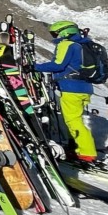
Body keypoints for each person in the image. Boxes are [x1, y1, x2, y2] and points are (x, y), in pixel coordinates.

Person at [36, 20, 98, 163]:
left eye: (55, 33)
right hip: (85, 87)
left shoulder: (66, 44)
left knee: (73, 120)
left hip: (71, 88)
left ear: (64, 32)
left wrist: (34, 67)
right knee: (74, 119)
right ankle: (75, 147)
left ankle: (86, 152)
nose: (54, 36)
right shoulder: (82, 44)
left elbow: (58, 65)